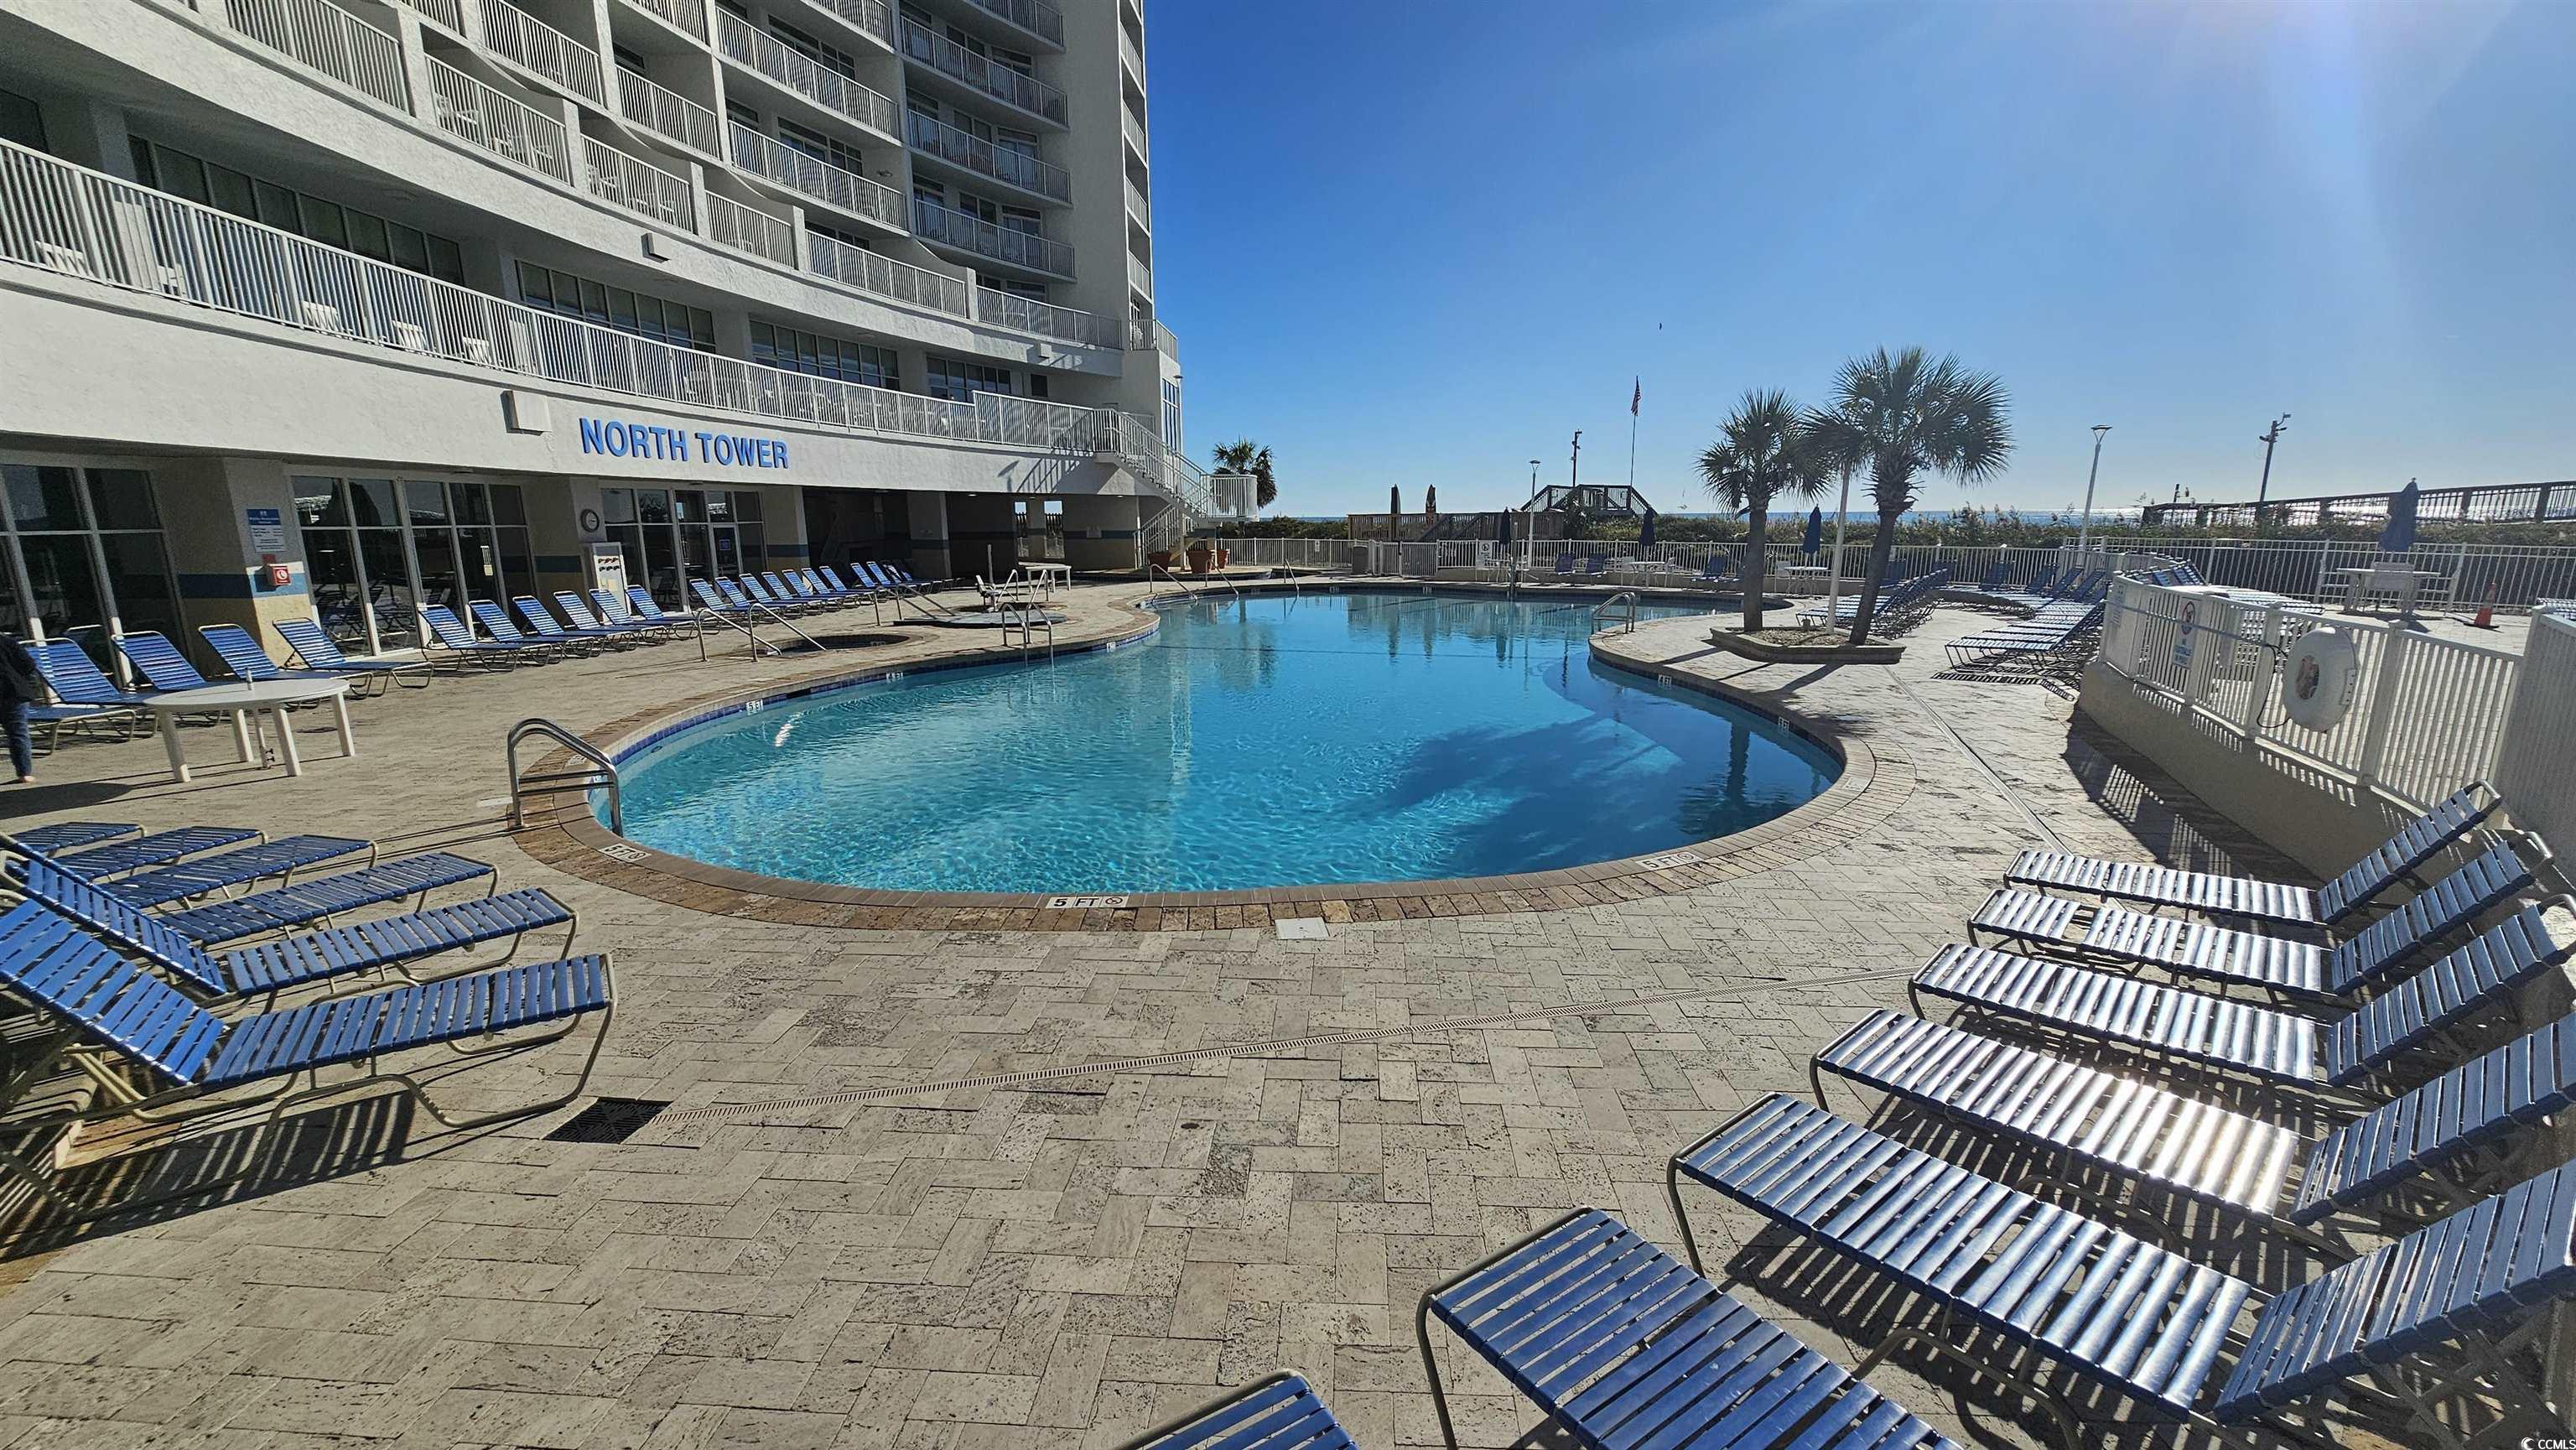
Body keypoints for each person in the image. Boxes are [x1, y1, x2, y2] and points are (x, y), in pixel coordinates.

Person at [0, 634, 39, 783]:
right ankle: (24, 773)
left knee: (18, 733)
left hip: (12, 691)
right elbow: (28, 665)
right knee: (18, 733)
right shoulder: (7, 641)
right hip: (13, 691)